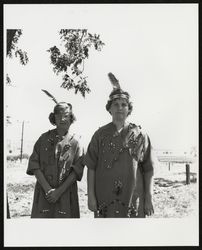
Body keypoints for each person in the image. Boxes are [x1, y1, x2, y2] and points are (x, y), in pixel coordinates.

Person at [84, 73, 156, 218]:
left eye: (124, 105)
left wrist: (149, 197)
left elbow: (148, 169)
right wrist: (90, 196)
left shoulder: (140, 134)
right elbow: (91, 167)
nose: (120, 108)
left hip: (133, 198)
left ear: (129, 109)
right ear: (109, 109)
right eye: (115, 105)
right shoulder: (99, 135)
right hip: (105, 199)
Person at [27, 96, 84, 218]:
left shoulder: (76, 143)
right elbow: (34, 165)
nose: (62, 118)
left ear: (71, 118)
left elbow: (76, 172)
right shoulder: (43, 139)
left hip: (66, 194)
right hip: (44, 193)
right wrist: (48, 190)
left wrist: (58, 192)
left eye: (66, 115)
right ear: (53, 118)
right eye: (58, 115)